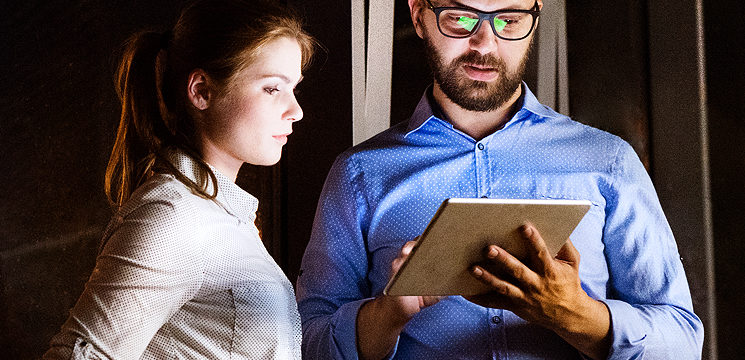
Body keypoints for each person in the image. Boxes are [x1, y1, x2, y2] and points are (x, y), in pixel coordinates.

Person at [296, 0, 703, 359]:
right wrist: (389, 311)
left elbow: (683, 341)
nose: (485, 45)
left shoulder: (609, 161)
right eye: (459, 18)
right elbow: (307, 342)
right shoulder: (360, 174)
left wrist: (578, 315)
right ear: (418, 14)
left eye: (509, 20)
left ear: (536, 16)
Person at [43, 0, 315, 358]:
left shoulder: (217, 214)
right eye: (271, 88)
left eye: (294, 88)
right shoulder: (173, 217)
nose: (295, 111)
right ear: (201, 91)